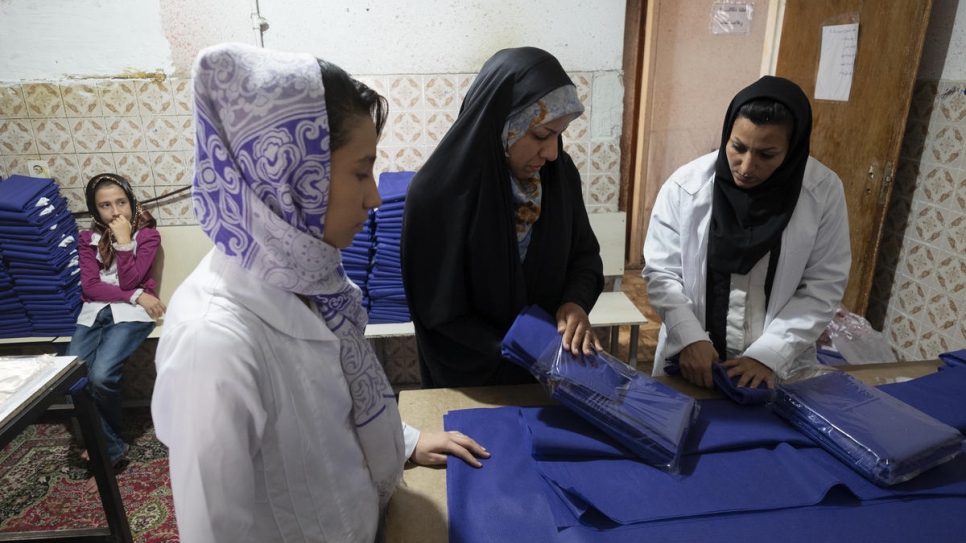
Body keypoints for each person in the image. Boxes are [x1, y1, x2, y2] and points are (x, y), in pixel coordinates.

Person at [151, 43, 488, 542]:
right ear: (290, 173)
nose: (374, 197)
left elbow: (331, 411)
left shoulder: (313, 280)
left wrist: (405, 440)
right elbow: (215, 532)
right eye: (360, 172)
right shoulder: (213, 342)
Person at [401, 47, 604, 389]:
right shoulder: (437, 195)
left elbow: (583, 255)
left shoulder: (558, 175)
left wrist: (575, 302)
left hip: (550, 376)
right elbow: (439, 314)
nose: (552, 152)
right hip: (472, 382)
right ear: (503, 124)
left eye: (559, 134)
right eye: (540, 135)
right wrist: (528, 347)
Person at [642, 76, 851, 391]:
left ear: (792, 150)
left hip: (776, 366)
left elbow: (823, 286)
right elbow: (662, 273)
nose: (746, 166)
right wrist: (689, 337)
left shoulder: (821, 192)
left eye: (767, 154)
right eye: (737, 147)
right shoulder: (686, 186)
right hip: (694, 360)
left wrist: (769, 354)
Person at [69, 173, 164, 470]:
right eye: (106, 205)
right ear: (95, 210)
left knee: (101, 376)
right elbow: (91, 287)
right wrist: (137, 296)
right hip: (96, 312)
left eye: (121, 202)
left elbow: (130, 278)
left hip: (132, 317)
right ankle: (109, 442)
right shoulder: (88, 239)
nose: (116, 211)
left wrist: (124, 242)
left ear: (132, 201)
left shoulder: (147, 235)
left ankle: (104, 446)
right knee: (69, 375)